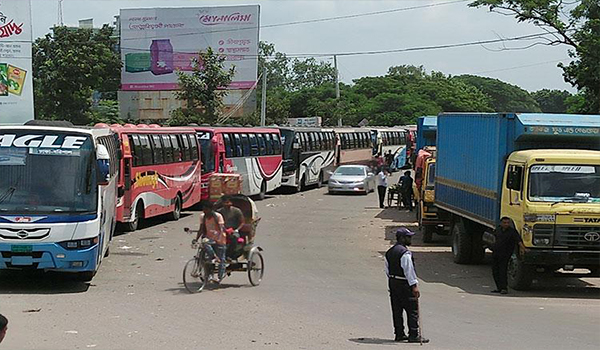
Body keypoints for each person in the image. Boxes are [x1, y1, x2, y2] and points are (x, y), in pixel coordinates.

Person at [385, 228, 429, 343]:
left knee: (397, 309)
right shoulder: (405, 253)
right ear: (402, 238)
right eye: (408, 237)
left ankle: (399, 334)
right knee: (412, 309)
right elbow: (409, 270)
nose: (410, 239)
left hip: (393, 282)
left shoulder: (389, 252)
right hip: (404, 283)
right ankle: (413, 335)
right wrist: (414, 285)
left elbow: (387, 269)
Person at [491, 217, 527, 294]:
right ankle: (499, 288)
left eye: (507, 223)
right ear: (501, 223)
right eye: (504, 223)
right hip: (496, 253)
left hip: (505, 254)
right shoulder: (498, 230)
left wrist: (524, 249)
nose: (506, 224)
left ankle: (504, 288)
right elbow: (495, 238)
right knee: (495, 271)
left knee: (502, 271)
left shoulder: (512, 232)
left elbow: (518, 241)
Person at [193, 201, 227, 283]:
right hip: (208, 238)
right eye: (203, 209)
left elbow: (221, 229)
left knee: (221, 259)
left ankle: (219, 277)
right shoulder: (203, 216)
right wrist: (196, 239)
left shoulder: (218, 216)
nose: (205, 211)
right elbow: (201, 229)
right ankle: (209, 274)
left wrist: (218, 238)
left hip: (219, 239)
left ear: (211, 209)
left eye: (206, 209)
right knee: (206, 257)